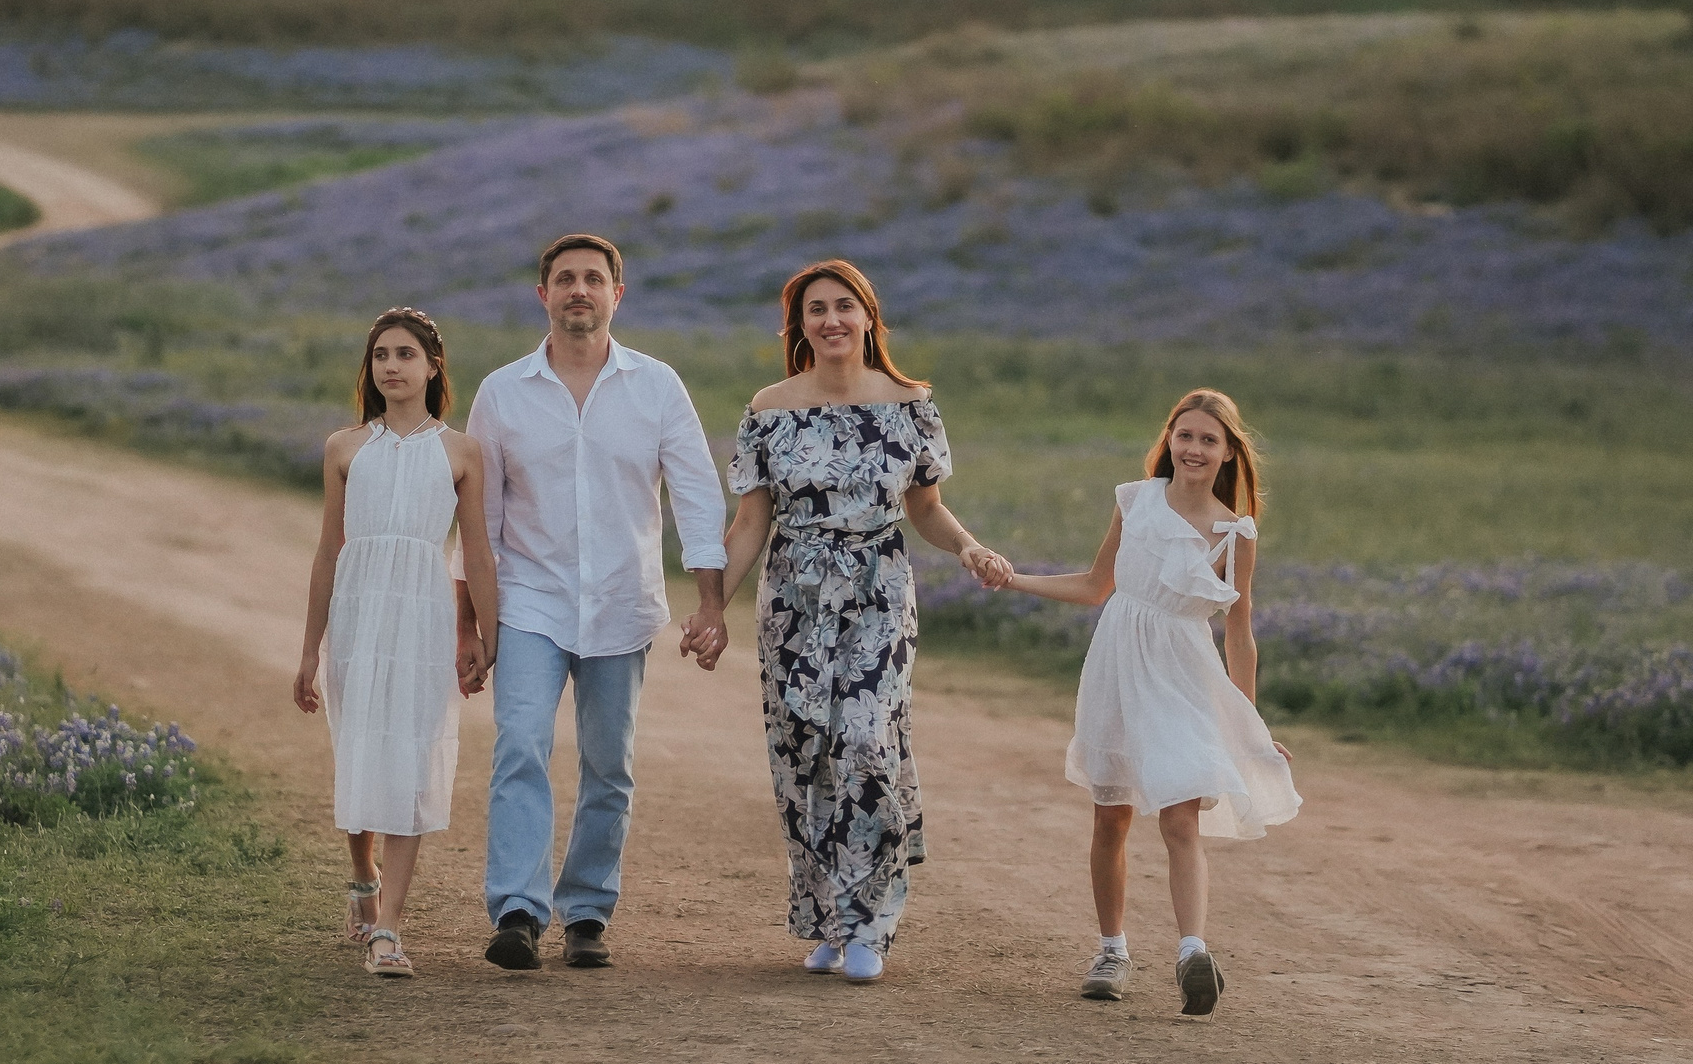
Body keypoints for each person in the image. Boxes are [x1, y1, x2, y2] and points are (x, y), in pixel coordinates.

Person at [699, 259, 1012, 985]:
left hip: (879, 588)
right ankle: (827, 918)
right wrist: (714, 606)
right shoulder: (769, 407)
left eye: (845, 306)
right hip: (793, 597)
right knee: (804, 749)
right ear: (799, 325)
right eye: (816, 309)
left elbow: (926, 507)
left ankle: (871, 922)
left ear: (870, 316)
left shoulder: (911, 402)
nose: (832, 319)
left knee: (867, 741)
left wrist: (969, 546)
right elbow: (750, 521)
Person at [987, 388, 1301, 1016]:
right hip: (1118, 665)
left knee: (1181, 815)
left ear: (1229, 453)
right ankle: (1112, 950)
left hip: (1186, 676)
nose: (1194, 448)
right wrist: (1012, 577)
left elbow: (1239, 634)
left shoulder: (1235, 533)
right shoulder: (1136, 501)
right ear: (1170, 441)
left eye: (1209, 440)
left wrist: (1248, 724)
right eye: (1185, 436)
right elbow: (1093, 585)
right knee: (1112, 817)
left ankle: (1192, 951)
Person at [463, 233, 728, 970]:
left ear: (619, 293)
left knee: (609, 762)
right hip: (529, 604)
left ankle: (585, 909)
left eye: (593, 278)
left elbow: (698, 497)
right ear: (541, 294)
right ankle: (517, 908)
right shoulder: (502, 392)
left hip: (620, 602)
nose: (579, 289)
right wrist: (471, 624)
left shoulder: (657, 386)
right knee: (520, 743)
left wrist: (710, 602)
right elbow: (477, 521)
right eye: (565, 278)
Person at [291, 308, 499, 979]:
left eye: (406, 353)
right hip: (358, 610)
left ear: (433, 365)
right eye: (381, 353)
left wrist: (484, 636)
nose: (391, 365)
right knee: (359, 745)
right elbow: (329, 549)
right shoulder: (345, 448)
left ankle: (390, 928)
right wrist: (308, 649)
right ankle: (361, 875)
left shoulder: (461, 451)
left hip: (424, 614)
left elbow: (476, 550)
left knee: (411, 757)